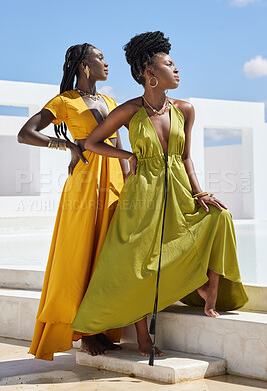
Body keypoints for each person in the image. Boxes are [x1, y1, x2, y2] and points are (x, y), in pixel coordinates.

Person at [70, 32, 248, 363]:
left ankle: (208, 288)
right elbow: (91, 143)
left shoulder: (185, 109)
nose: (176, 70)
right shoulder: (129, 110)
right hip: (143, 194)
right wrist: (127, 154)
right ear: (149, 73)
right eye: (169, 64)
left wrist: (200, 193)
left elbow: (185, 158)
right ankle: (142, 336)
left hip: (180, 189)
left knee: (219, 217)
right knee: (137, 263)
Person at [17, 43, 127, 360]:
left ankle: (102, 326)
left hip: (115, 182)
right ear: (83, 64)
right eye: (100, 58)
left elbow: (120, 145)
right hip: (85, 183)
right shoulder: (65, 101)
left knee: (109, 254)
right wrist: (66, 144)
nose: (107, 62)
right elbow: (26, 133)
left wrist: (129, 177)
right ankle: (84, 332)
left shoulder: (110, 101)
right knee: (81, 253)